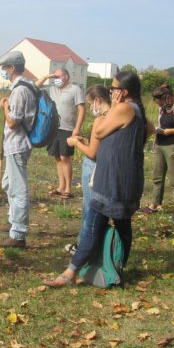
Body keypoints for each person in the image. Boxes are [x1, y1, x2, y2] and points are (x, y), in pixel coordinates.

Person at [43, 71, 147, 287]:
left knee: (93, 225)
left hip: (113, 180)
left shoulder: (124, 107)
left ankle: (70, 274)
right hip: (126, 177)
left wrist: (105, 115)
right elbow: (150, 130)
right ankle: (116, 266)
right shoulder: (138, 109)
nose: (111, 92)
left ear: (123, 92)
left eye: (114, 88)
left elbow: (98, 133)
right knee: (122, 224)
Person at [0, 50, 37, 248]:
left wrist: (5, 105)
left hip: (18, 144)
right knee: (8, 184)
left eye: (4, 68)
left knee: (18, 189)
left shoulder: (20, 90)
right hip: (13, 144)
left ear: (12, 68)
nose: (2, 71)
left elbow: (12, 122)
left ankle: (18, 234)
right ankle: (13, 221)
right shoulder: (24, 86)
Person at [64, 84, 111, 255]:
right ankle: (86, 244)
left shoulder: (101, 119)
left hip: (93, 169)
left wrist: (76, 143)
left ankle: (85, 247)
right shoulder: (115, 117)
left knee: (89, 209)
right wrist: (84, 140)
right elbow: (98, 147)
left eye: (91, 104)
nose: (91, 108)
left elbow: (92, 153)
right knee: (91, 207)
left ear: (98, 100)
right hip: (104, 167)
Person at [142, 84, 174, 221]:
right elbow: (162, 123)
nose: (157, 104)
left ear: (166, 97)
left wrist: (171, 131)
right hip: (160, 145)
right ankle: (154, 205)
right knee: (157, 176)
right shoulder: (163, 108)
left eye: (158, 101)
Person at [36, 68, 85, 199]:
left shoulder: (75, 90)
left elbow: (81, 109)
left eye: (58, 76)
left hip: (68, 128)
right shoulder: (52, 89)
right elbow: (35, 87)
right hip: (53, 128)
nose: (56, 79)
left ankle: (68, 188)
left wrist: (77, 128)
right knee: (57, 157)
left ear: (67, 77)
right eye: (54, 77)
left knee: (65, 157)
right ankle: (61, 186)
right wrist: (47, 76)